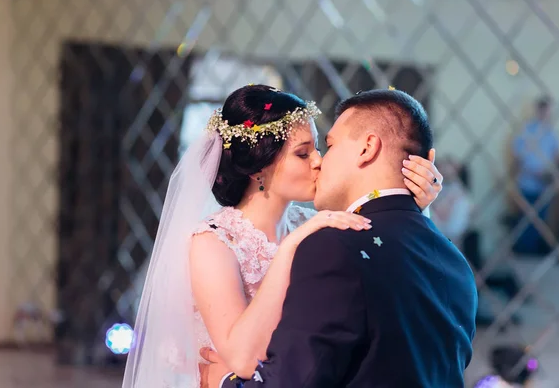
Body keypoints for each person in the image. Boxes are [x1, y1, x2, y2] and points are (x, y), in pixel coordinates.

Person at [121, 85, 443, 388]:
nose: (319, 161)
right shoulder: (214, 242)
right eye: (303, 154)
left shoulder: (316, 225)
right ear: (259, 167)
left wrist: (416, 205)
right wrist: (290, 247)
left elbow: (390, 265)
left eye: (319, 148)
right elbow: (242, 359)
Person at [204, 89, 477, 388]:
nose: (319, 161)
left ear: (367, 148)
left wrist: (225, 382)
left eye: (328, 145)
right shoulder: (453, 260)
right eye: (303, 153)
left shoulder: (331, 244)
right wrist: (412, 211)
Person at [511, 96, 559, 254]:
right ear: (539, 110)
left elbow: (556, 156)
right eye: (544, 110)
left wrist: (550, 174)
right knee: (526, 220)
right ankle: (525, 251)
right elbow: (518, 156)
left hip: (544, 184)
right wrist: (533, 172)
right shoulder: (526, 130)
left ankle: (535, 253)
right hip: (527, 182)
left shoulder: (551, 133)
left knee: (541, 219)